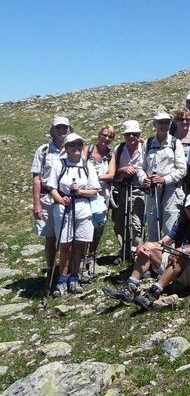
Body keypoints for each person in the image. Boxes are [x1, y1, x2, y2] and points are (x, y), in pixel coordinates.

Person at [102, 193, 190, 308]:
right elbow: (161, 244)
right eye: (189, 207)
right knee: (148, 248)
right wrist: (143, 246)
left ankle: (154, 292)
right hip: (182, 267)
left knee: (181, 254)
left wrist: (180, 250)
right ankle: (130, 288)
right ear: (185, 209)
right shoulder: (184, 225)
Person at [46, 133, 100, 296]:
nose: (77, 147)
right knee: (65, 246)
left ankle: (74, 276)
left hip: (83, 208)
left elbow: (95, 190)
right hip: (64, 209)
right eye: (72, 145)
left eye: (79, 144)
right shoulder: (59, 164)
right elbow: (51, 187)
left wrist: (80, 191)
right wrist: (61, 200)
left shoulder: (87, 166)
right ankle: (62, 279)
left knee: (79, 245)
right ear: (67, 148)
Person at [136, 112, 187, 241]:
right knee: (152, 222)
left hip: (171, 189)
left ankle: (169, 258)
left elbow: (182, 169)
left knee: (170, 223)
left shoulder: (176, 143)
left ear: (170, 124)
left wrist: (164, 179)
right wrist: (144, 179)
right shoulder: (148, 143)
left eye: (166, 122)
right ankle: (154, 257)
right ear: (155, 124)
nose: (163, 125)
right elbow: (140, 167)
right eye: (160, 122)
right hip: (152, 190)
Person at [31, 116, 71, 280]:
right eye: (58, 127)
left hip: (67, 199)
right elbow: (36, 178)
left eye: (64, 127)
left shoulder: (73, 147)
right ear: (53, 130)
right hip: (47, 199)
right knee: (50, 237)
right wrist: (36, 204)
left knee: (68, 237)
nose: (62, 130)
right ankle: (50, 267)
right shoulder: (43, 150)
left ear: (69, 129)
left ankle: (66, 268)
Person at [84, 125, 116, 274]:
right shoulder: (88, 149)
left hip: (102, 196)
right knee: (85, 225)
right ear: (99, 135)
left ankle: (91, 255)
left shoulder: (111, 154)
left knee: (99, 227)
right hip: (86, 195)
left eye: (110, 137)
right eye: (104, 135)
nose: (107, 139)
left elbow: (111, 175)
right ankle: (81, 257)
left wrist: (93, 177)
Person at [112, 120, 145, 263]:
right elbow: (112, 171)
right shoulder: (118, 149)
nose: (131, 137)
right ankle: (124, 250)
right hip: (122, 188)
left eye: (135, 134)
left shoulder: (145, 148)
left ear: (139, 135)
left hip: (140, 189)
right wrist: (122, 170)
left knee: (137, 222)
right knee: (120, 222)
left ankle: (138, 253)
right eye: (128, 134)